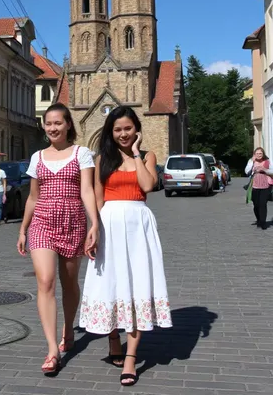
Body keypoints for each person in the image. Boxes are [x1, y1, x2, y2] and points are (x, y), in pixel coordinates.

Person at [79, 106, 172, 388]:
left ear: (136, 129)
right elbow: (97, 195)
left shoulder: (146, 156)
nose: (123, 134)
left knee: (137, 284)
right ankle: (112, 338)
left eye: (128, 129)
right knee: (110, 281)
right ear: (110, 131)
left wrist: (136, 153)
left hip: (138, 225)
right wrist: (93, 227)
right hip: (108, 223)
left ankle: (131, 357)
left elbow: (147, 186)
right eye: (117, 129)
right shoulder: (101, 158)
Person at [17, 102, 98, 376]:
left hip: (73, 222)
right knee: (46, 281)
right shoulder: (37, 157)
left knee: (70, 283)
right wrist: (23, 229)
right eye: (48, 123)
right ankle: (53, 348)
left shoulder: (82, 153)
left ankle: (68, 328)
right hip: (42, 223)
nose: (53, 128)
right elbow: (33, 197)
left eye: (58, 123)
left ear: (68, 125)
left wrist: (94, 224)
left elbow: (87, 191)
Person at [245, 147, 273, 230]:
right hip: (255, 186)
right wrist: (252, 162)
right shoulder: (251, 161)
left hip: (266, 185)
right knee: (256, 204)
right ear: (254, 154)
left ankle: (263, 223)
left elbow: (272, 171)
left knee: (262, 203)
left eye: (260, 153)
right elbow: (247, 172)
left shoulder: (268, 161)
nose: (259, 155)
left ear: (263, 154)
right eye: (257, 153)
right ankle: (259, 219)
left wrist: (264, 169)